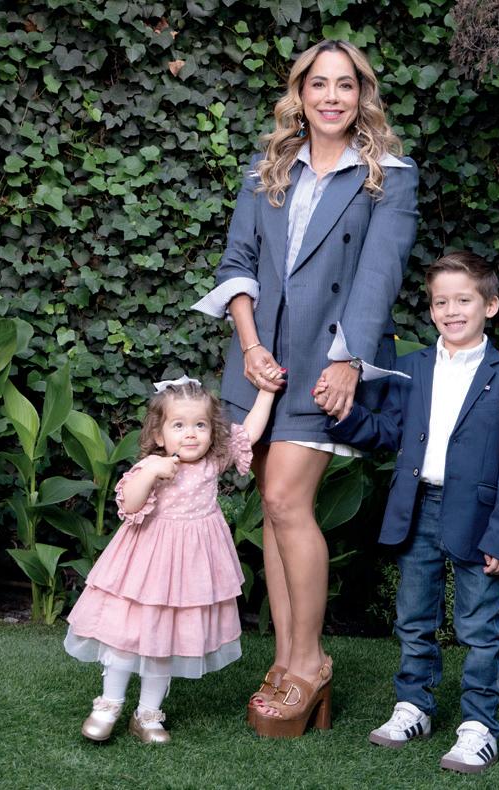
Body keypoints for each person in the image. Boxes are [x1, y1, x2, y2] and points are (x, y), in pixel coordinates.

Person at [192, 39, 419, 738]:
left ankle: (309, 663)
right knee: (271, 507)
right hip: (260, 362)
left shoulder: (390, 176)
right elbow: (237, 262)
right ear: (299, 94)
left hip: (328, 363)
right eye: (318, 84)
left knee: (289, 500)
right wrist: (250, 347)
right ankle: (288, 659)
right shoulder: (268, 168)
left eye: (345, 85)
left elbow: (379, 275)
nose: (331, 97)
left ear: (362, 95)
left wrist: (349, 361)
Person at [317, 252, 499, 773]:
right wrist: (343, 414)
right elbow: (388, 432)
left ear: (491, 305)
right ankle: (414, 706)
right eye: (441, 302)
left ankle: (479, 726)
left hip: (479, 519)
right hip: (416, 509)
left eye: (463, 300)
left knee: (478, 627)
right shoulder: (411, 368)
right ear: (431, 308)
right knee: (414, 619)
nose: (451, 311)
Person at [64, 376, 276, 744]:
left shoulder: (213, 462)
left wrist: (268, 392)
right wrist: (150, 473)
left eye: (200, 425)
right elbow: (130, 505)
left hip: (190, 570)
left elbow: (251, 433)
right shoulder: (152, 466)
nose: (190, 434)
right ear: (159, 435)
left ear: (212, 431)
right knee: (126, 636)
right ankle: (109, 704)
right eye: (179, 425)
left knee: (166, 639)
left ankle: (147, 714)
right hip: (146, 566)